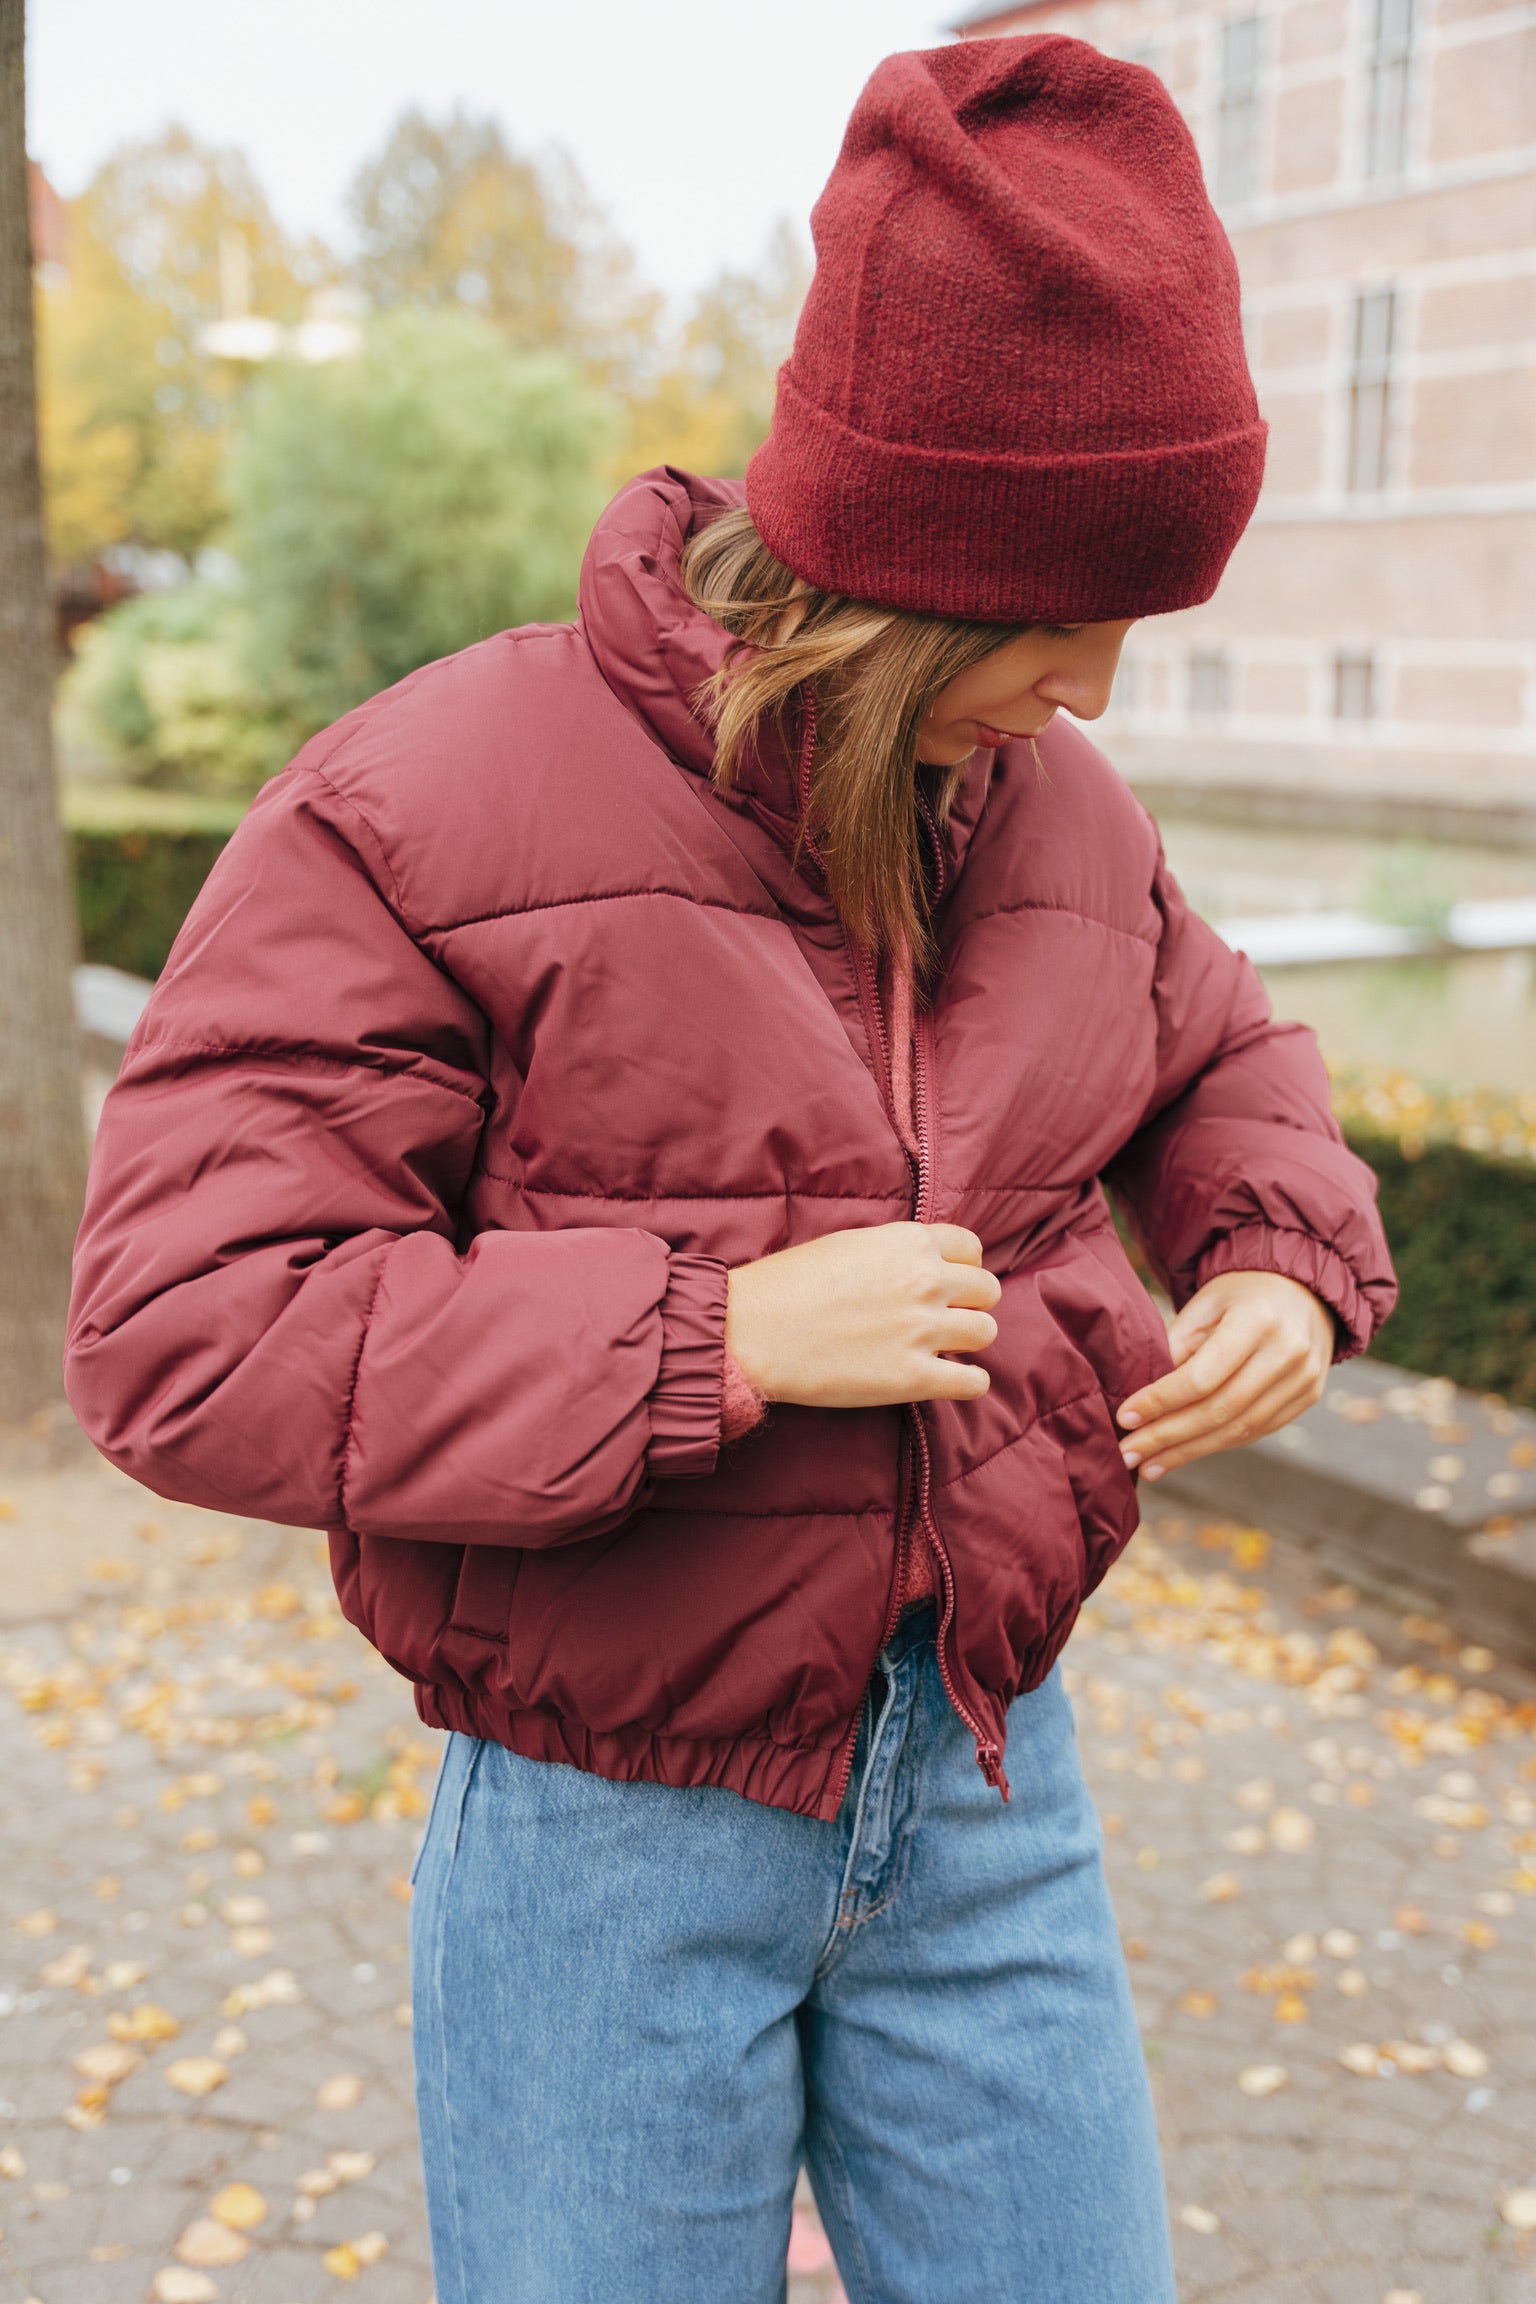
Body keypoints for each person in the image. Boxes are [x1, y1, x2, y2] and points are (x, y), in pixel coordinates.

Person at [65, 34, 1397, 2304]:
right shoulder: (423, 804)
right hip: (605, 1827)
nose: (1095, 688)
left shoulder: (1058, 812)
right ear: (898, 560)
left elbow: (1222, 1049)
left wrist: (1279, 1247)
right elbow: (180, 1333)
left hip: (990, 1790)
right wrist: (710, 1338)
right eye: (1060, 615)